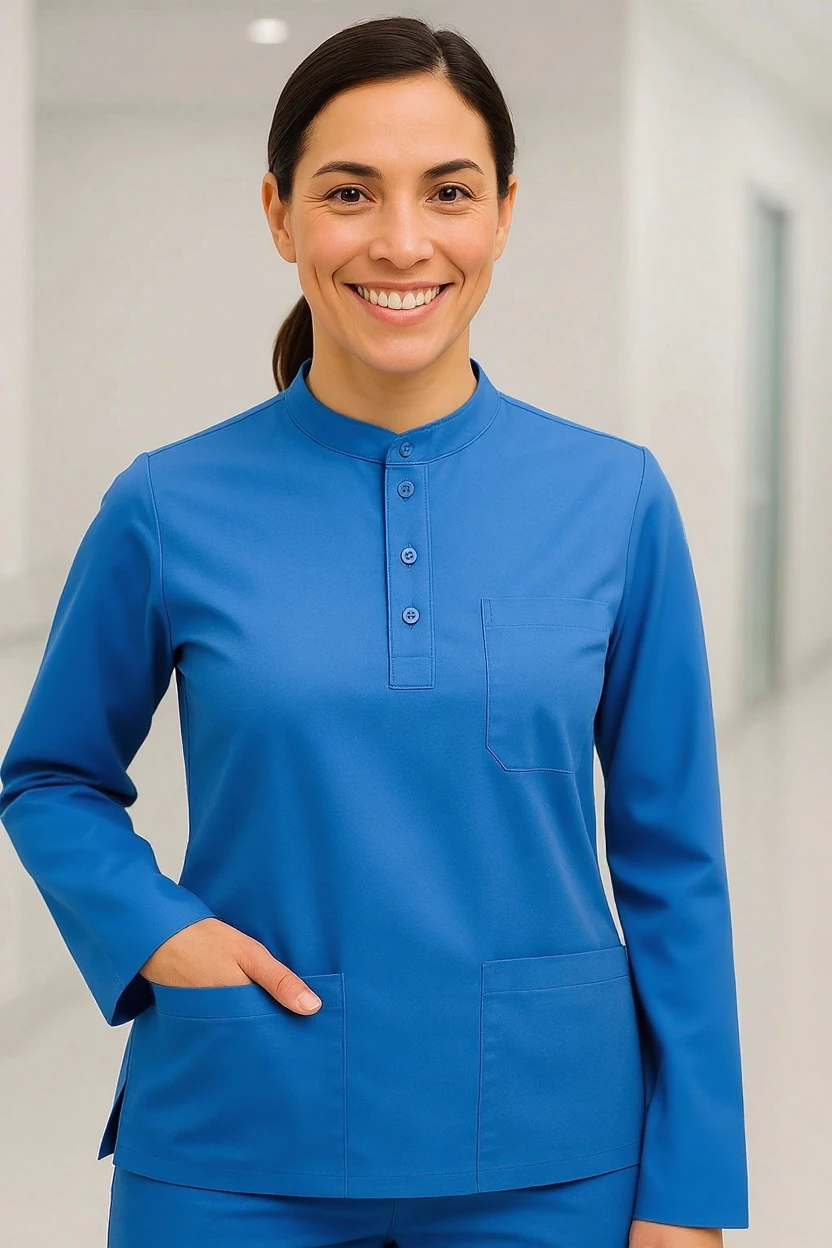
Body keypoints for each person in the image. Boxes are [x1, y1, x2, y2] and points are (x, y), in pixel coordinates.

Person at [0, 14, 749, 1248]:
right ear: (280, 215)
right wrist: (158, 931)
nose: (403, 241)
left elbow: (675, 864)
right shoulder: (167, 504)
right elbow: (51, 777)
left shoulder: (614, 500)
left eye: (448, 191)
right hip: (237, 1135)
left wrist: (691, 1189)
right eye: (349, 192)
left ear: (503, 213)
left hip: (552, 1143)